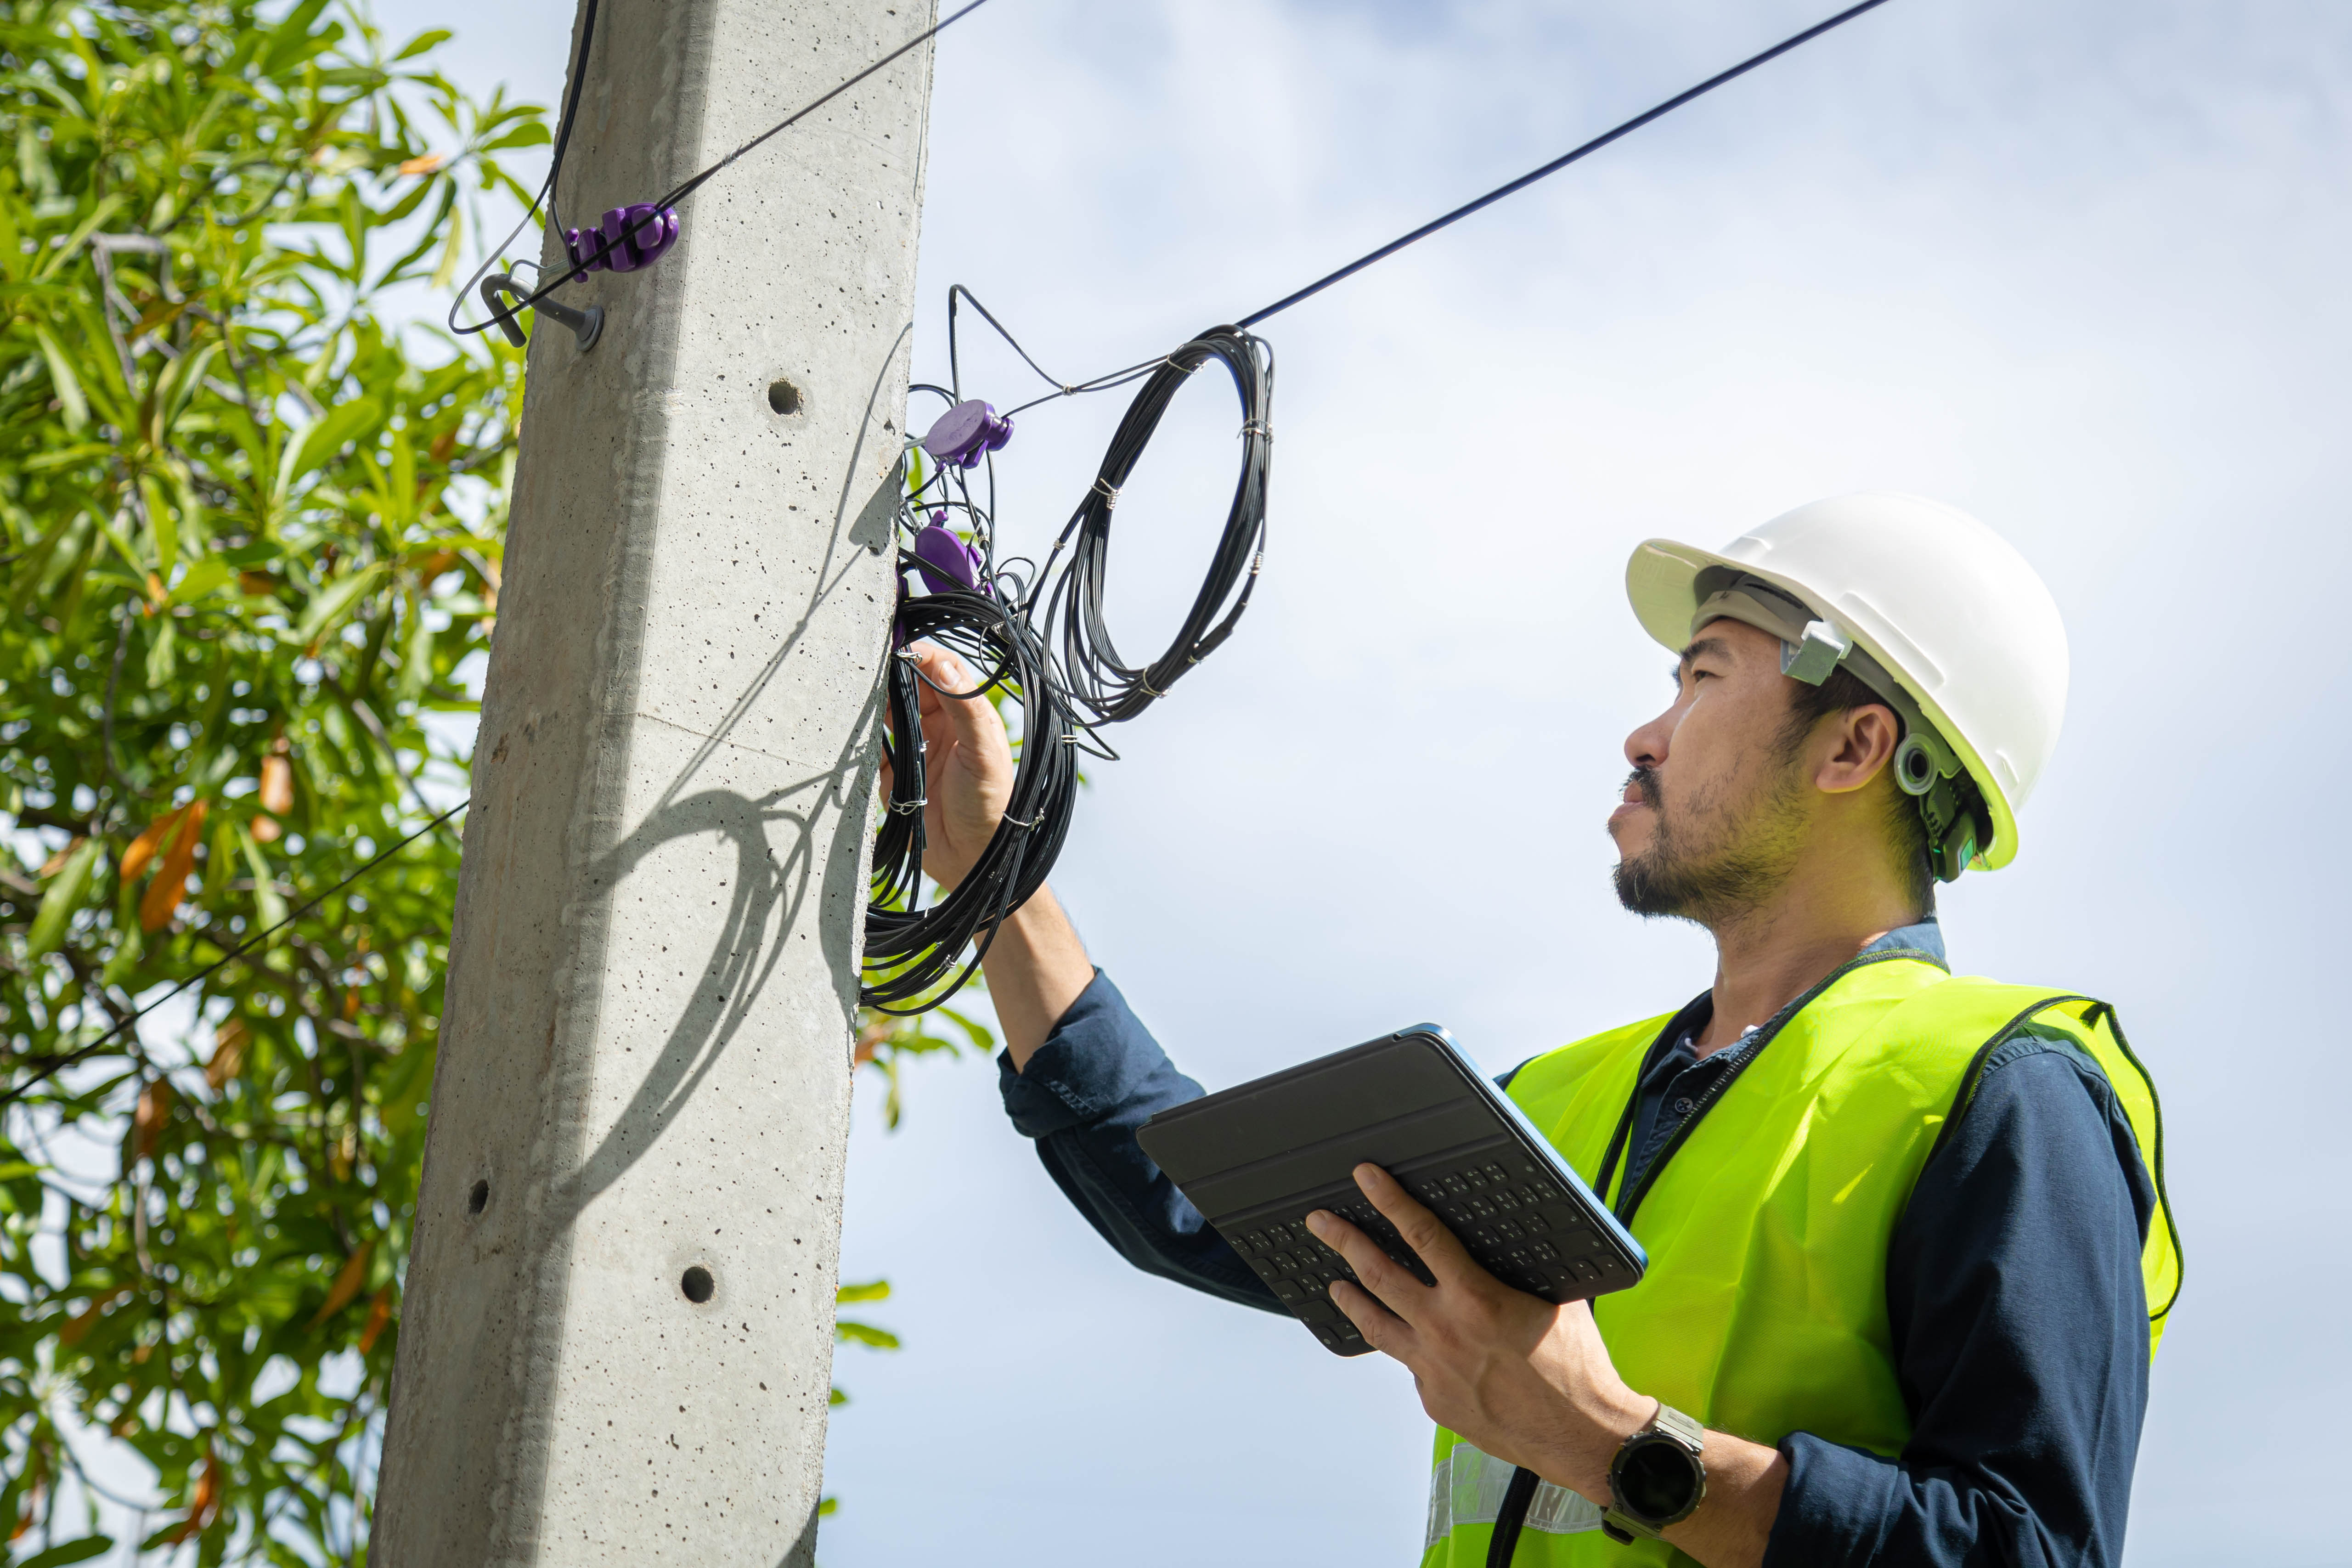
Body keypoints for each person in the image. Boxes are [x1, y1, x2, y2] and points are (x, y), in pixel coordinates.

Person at [894, 492, 2178, 1568]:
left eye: (1701, 677)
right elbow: (1196, 1202)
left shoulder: (2002, 1093)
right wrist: (992, 872)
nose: (1643, 733)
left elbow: (2028, 1552)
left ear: (1852, 747)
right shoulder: (1566, 1098)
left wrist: (1614, 1445)